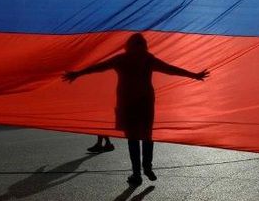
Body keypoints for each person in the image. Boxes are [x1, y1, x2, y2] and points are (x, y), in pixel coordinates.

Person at [63, 33, 209, 185]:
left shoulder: (121, 59)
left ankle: (136, 173)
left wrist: (78, 73)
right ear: (144, 45)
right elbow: (170, 69)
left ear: (128, 45)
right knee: (147, 135)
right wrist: (193, 75)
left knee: (133, 138)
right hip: (146, 101)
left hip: (128, 102)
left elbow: (99, 67)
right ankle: (147, 167)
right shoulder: (147, 58)